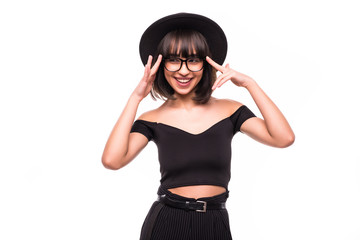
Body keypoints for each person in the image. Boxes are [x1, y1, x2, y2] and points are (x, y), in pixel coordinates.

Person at [102, 13, 295, 240]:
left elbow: (283, 138)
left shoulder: (230, 111)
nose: (183, 71)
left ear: (206, 64)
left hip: (215, 222)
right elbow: (112, 161)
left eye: (193, 60)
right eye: (174, 60)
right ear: (160, 65)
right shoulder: (152, 118)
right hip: (167, 222)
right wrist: (136, 97)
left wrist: (250, 84)